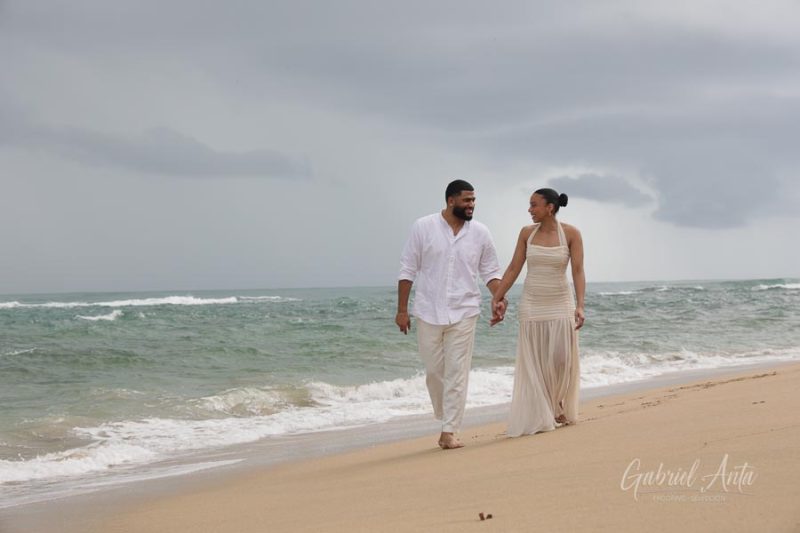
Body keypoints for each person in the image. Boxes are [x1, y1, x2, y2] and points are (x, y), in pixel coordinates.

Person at [396, 180, 505, 449]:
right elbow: (407, 269)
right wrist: (401, 310)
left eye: (474, 200)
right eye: (467, 200)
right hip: (427, 310)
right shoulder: (423, 227)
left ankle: (449, 431)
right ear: (451, 201)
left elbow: (490, 271)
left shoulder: (481, 233)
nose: (471, 205)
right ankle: (446, 417)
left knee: (457, 371)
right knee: (434, 372)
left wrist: (498, 297)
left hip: (465, 310)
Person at [490, 188, 585, 436]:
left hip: (560, 301)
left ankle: (557, 400)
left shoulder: (572, 234)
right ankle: (550, 409)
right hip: (532, 302)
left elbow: (577, 270)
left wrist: (580, 305)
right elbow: (513, 268)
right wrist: (497, 297)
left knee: (562, 359)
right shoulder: (526, 234)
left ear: (550, 207)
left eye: (534, 205)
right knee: (537, 360)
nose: (529, 209)